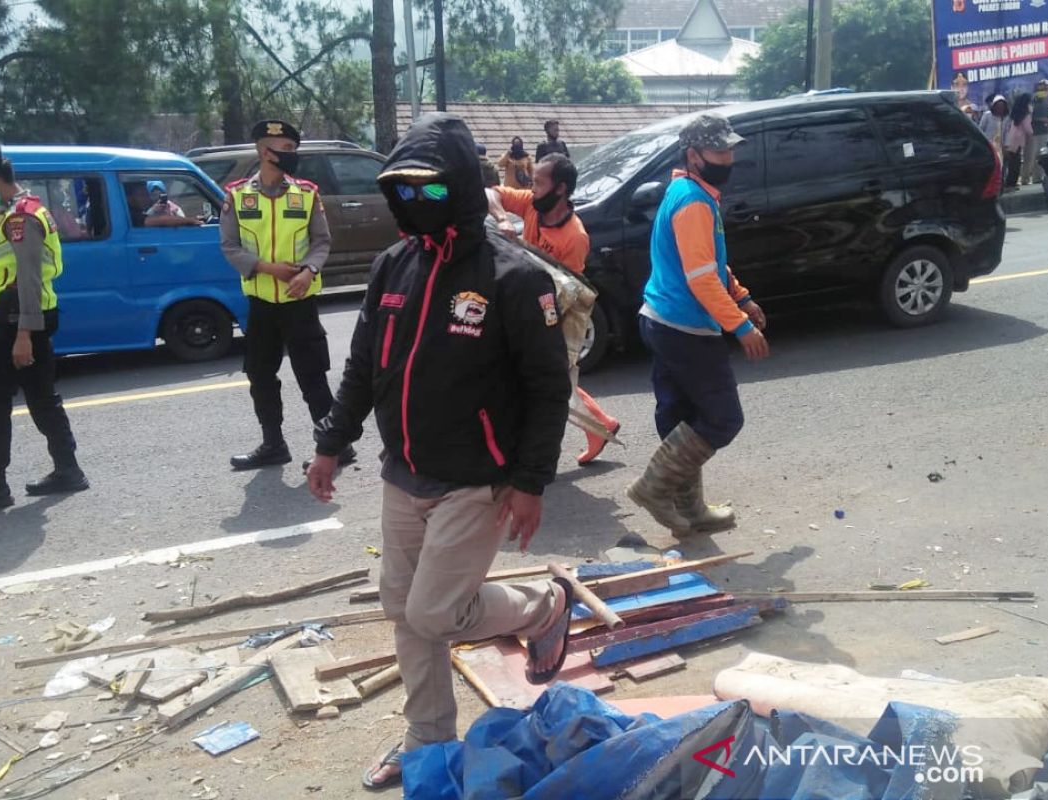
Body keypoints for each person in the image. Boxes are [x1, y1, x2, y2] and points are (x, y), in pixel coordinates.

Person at [305, 113, 574, 791]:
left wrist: (531, 483)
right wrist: (330, 445)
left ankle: (545, 604)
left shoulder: (514, 278)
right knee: (403, 609)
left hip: (477, 479)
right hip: (405, 473)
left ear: (455, 187)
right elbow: (365, 365)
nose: (415, 203)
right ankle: (427, 736)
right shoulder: (393, 265)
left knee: (432, 613)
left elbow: (548, 390)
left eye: (430, 190)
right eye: (404, 190)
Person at [626, 113, 769, 537]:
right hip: (685, 329)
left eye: (729, 149)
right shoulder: (692, 202)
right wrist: (741, 326)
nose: (727, 158)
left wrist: (741, 295)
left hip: (662, 321)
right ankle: (654, 489)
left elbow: (711, 264)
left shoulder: (689, 191)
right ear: (693, 155)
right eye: (718, 150)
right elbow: (701, 278)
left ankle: (690, 512)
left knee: (681, 418)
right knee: (724, 418)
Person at [0, 144, 88, 514]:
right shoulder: (22, 211)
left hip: (20, 316)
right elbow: (18, 264)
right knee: (41, 394)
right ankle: (68, 469)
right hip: (33, 312)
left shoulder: (19, 218)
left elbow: (28, 277)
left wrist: (23, 333)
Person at [220, 119, 354, 470]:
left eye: (294, 149)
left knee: (312, 374)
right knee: (260, 375)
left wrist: (309, 271)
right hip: (261, 303)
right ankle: (273, 444)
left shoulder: (306, 193)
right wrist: (267, 268)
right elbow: (230, 247)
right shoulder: (237, 195)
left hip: (300, 302)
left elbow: (322, 241)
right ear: (265, 152)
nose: (293, 156)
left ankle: (335, 445)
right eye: (287, 150)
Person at [486, 153, 620, 464]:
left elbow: (565, 290)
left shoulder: (574, 238)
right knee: (550, 377)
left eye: (538, 183)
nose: (531, 189)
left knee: (544, 379)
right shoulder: (532, 204)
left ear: (560, 189)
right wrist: (502, 217)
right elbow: (490, 192)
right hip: (527, 302)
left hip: (552, 309)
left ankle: (532, 454)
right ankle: (599, 426)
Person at [1025, 78, 1048, 185]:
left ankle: (1037, 178)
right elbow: (1029, 117)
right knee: (1030, 157)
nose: (1044, 88)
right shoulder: (1033, 100)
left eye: (1046, 87)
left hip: (1044, 132)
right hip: (1033, 132)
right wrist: (1042, 119)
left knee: (1042, 156)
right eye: (1042, 86)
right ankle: (1025, 178)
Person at [1006, 94, 1034, 190]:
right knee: (1016, 164)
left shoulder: (1016, 113)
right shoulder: (1025, 114)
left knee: (1012, 163)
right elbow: (1028, 129)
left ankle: (1010, 183)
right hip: (1018, 141)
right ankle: (1012, 184)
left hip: (1012, 139)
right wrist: (1032, 134)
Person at [979, 95, 1012, 178]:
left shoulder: (1006, 118)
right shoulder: (987, 115)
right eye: (998, 106)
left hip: (1000, 147)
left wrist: (1006, 147)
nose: (1000, 108)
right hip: (988, 146)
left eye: (1002, 106)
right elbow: (981, 129)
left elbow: (1007, 133)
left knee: (1001, 168)